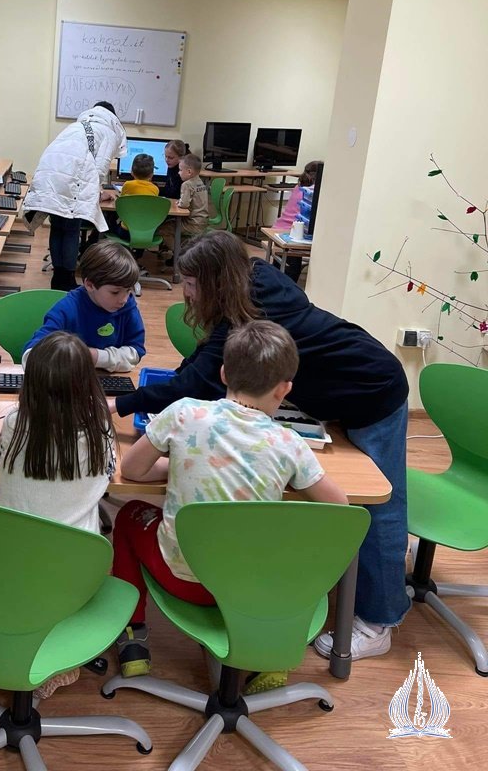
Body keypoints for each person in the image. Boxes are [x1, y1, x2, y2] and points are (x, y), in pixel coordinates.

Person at [111, 230, 410, 661]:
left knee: (378, 504)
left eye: (191, 283)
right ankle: (379, 561)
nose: (186, 293)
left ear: (215, 280)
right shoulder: (245, 281)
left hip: (370, 388)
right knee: (349, 496)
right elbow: (205, 359)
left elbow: (198, 379)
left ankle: (379, 619)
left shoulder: (256, 309)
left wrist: (121, 403)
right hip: (329, 392)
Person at [112, 321, 347, 681]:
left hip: (182, 581)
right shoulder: (289, 444)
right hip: (250, 592)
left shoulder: (183, 413)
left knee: (130, 514)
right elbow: (340, 509)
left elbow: (131, 469)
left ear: (223, 373)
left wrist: (178, 466)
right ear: (284, 389)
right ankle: (267, 656)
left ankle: (133, 635)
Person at [0, 330, 116, 700]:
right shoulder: (98, 430)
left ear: (29, 384)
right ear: (87, 385)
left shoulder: (15, 424)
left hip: (9, 566)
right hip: (76, 571)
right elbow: (111, 473)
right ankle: (61, 653)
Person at [23, 102, 126, 291]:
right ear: (113, 117)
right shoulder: (109, 132)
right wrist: (96, 193)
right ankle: (68, 279)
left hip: (51, 176)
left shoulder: (76, 126)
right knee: (71, 229)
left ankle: (57, 278)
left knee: (57, 227)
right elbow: (100, 167)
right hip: (72, 180)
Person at [22, 241, 146, 372]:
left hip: (105, 379)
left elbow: (136, 352)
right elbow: (32, 355)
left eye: (128, 290)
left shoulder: (127, 307)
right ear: (90, 285)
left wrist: (96, 357)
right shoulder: (67, 309)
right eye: (115, 292)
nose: (124, 299)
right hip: (71, 380)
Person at [271, 160, 321, 282]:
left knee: (279, 268)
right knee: (291, 271)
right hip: (291, 233)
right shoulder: (314, 192)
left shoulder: (298, 187)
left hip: (279, 228)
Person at [159, 152, 209, 264]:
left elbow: (184, 204)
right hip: (202, 221)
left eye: (180, 170)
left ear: (189, 172)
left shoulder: (187, 184)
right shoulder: (200, 182)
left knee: (163, 229)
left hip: (192, 223)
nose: (178, 172)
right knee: (172, 225)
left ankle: (181, 255)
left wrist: (179, 203)